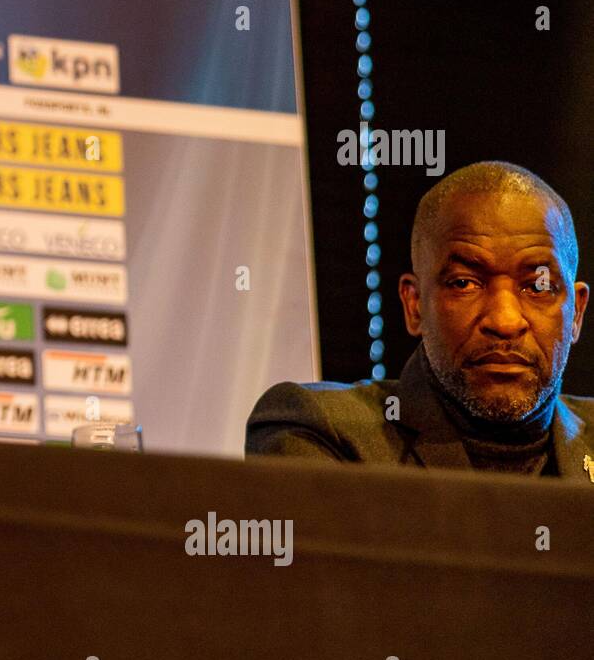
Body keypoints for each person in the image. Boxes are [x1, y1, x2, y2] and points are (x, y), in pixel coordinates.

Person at [246, 161, 594, 476]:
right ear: (414, 305)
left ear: (576, 312)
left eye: (537, 286)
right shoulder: (323, 432)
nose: (504, 321)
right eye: (464, 283)